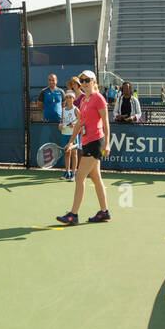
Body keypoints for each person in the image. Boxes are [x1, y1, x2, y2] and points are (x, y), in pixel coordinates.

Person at [56, 70, 112, 225]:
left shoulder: (98, 98)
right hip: (87, 142)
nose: (85, 83)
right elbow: (80, 123)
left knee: (80, 177)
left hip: (96, 142)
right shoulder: (83, 100)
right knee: (95, 177)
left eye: (87, 80)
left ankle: (73, 215)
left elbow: (106, 122)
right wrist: (70, 142)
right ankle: (104, 212)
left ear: (94, 82)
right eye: (82, 81)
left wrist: (107, 143)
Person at [59, 83, 80, 180]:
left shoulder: (76, 109)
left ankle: (73, 173)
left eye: (70, 97)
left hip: (73, 134)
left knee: (74, 154)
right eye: (67, 97)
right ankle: (67, 172)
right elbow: (61, 122)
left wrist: (74, 125)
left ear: (73, 99)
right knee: (67, 153)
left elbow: (81, 121)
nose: (68, 99)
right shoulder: (63, 110)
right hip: (65, 134)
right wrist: (60, 126)